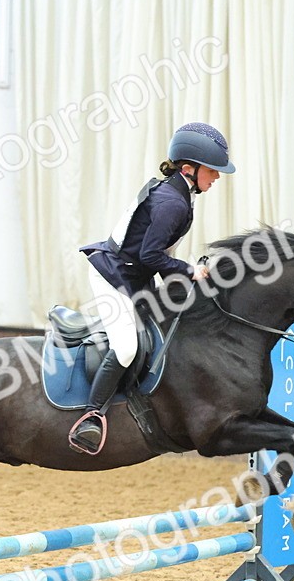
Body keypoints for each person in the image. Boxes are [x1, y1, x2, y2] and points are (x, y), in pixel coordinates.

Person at [68, 122, 235, 455]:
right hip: (113, 274)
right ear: (190, 168)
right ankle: (92, 415)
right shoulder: (172, 202)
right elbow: (150, 254)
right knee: (128, 347)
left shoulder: (178, 193)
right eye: (213, 171)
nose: (217, 177)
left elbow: (156, 253)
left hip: (136, 274)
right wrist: (190, 271)